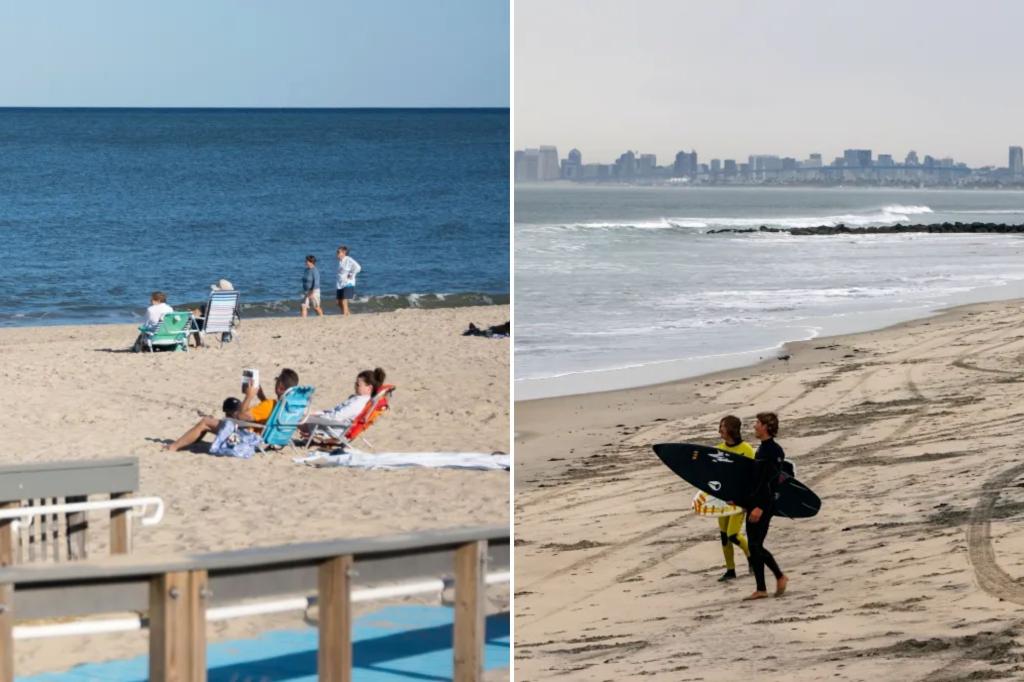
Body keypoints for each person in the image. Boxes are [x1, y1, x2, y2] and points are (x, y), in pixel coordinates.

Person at [164, 368, 299, 452]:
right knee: (220, 419)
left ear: (280, 387)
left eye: (276, 382)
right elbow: (270, 414)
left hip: (246, 438)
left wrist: (249, 396)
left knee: (205, 421)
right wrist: (261, 396)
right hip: (274, 439)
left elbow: (241, 417)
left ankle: (173, 447)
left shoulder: (270, 405)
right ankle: (191, 441)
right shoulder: (290, 405)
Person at [742, 411, 789, 601]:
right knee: (754, 547)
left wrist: (759, 506)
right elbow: (756, 480)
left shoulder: (774, 451)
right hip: (755, 503)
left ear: (766, 427)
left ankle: (780, 576)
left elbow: (770, 481)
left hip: (764, 504)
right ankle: (761, 588)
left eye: (757, 423)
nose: (754, 426)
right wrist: (744, 502)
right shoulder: (762, 449)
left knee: (756, 545)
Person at [712, 415, 755, 582]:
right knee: (724, 536)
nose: (720, 430)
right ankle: (730, 570)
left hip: (739, 499)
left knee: (732, 534)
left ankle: (751, 557)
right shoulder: (718, 450)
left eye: (722, 426)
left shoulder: (746, 449)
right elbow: (713, 476)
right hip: (723, 499)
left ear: (731, 429)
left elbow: (752, 478)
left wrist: (746, 501)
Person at [298, 367, 386, 441]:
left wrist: (315, 417)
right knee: (300, 413)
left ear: (369, 388)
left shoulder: (358, 403)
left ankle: (285, 437)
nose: (355, 386)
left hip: (332, 430)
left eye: (358, 385)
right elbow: (336, 413)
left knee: (295, 417)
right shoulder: (359, 399)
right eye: (355, 383)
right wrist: (318, 413)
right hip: (332, 425)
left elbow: (337, 417)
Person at [190, 279, 239, 347]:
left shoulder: (211, 304)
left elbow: (195, 314)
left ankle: (198, 343)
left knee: (192, 321)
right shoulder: (231, 304)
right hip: (225, 325)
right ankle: (225, 340)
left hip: (210, 326)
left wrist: (190, 312)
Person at [335, 245, 361, 316]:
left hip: (348, 283)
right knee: (338, 302)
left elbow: (358, 267)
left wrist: (351, 274)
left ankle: (345, 315)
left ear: (344, 253)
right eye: (337, 252)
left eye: (338, 252)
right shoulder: (340, 261)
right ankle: (348, 314)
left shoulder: (348, 259)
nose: (336, 253)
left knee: (344, 300)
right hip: (340, 284)